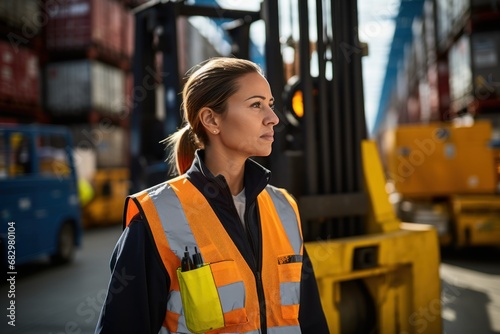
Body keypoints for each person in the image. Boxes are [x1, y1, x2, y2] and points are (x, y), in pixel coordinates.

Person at [95, 57, 329, 334]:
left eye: (271, 104)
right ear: (211, 119)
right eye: (256, 105)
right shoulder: (155, 218)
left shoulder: (285, 208)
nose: (273, 118)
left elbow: (311, 320)